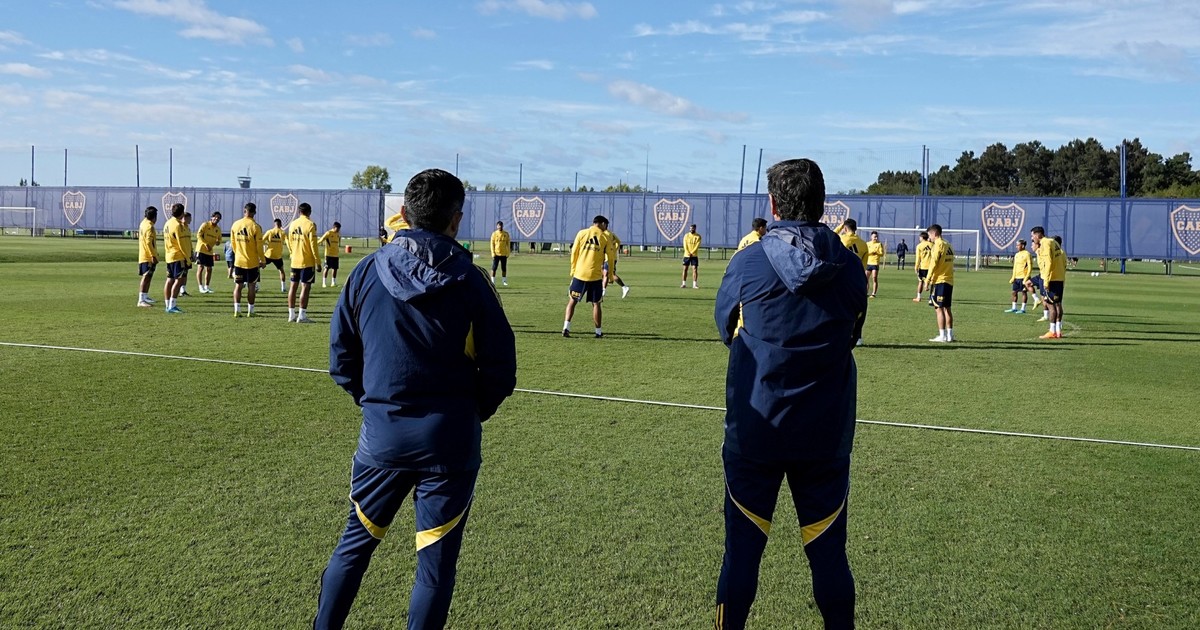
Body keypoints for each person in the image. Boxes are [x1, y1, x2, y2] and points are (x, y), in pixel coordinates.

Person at [316, 168, 517, 630]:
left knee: (354, 547)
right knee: (435, 568)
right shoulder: (472, 281)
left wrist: (376, 404)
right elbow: (501, 369)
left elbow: (341, 358)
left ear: (404, 214)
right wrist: (469, 413)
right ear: (456, 218)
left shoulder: (366, 271)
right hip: (449, 441)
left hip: (383, 438)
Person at [713, 158, 864, 630]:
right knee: (829, 558)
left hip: (756, 430)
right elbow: (853, 333)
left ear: (773, 205)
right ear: (823, 204)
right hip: (824, 434)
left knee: (741, 556)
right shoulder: (850, 267)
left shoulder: (748, 260)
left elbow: (724, 327)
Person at [563, 215, 616, 338]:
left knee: (572, 301)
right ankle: (598, 332)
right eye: (606, 225)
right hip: (595, 276)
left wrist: (573, 270)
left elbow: (574, 252)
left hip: (580, 274)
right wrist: (610, 275)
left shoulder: (581, 233)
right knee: (596, 303)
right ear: (602, 224)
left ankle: (566, 327)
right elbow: (611, 257)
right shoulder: (605, 237)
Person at [286, 202, 321, 323]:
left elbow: (290, 242)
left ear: (299, 212)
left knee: (293, 286)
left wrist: (292, 254)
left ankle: (291, 315)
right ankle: (302, 316)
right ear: (309, 212)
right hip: (307, 262)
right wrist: (317, 261)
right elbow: (313, 245)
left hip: (294, 261)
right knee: (305, 287)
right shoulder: (310, 224)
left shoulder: (293, 224)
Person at [835, 219, 868, 345]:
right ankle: (858, 336)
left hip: (842, 278)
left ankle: (842, 334)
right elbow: (864, 265)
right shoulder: (864, 244)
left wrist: (839, 227)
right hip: (858, 278)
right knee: (858, 309)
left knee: (841, 307)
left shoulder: (841, 239)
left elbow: (831, 235)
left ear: (845, 228)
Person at [230, 202, 266, 318]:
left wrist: (238, 253)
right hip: (252, 262)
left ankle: (237, 310)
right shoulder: (255, 227)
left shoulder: (235, 224)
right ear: (254, 212)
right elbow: (259, 246)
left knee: (238, 286)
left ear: (244, 211)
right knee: (251, 286)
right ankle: (250, 311)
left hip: (239, 261)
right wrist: (262, 259)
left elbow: (233, 243)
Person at [1032, 227, 1067, 338]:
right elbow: (1063, 262)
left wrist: (1046, 281)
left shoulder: (1045, 243)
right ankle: (1058, 331)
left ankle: (1052, 331)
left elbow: (1048, 262)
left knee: (1050, 305)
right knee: (1058, 304)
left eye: (1032, 236)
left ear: (1037, 235)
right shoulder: (1054, 243)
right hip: (1059, 278)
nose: (1032, 238)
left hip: (1051, 279)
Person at [926, 223, 956, 342]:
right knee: (947, 308)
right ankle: (950, 335)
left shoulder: (937, 245)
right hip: (949, 280)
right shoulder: (948, 245)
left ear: (935, 233)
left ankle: (942, 336)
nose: (929, 238)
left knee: (938, 308)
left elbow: (933, 264)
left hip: (940, 280)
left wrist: (927, 280)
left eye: (930, 235)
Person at [161, 203, 189, 314]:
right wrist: (188, 258)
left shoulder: (167, 223)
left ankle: (167, 304)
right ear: (182, 212)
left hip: (169, 256)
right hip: (178, 256)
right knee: (179, 281)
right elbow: (182, 244)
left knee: (169, 280)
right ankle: (172, 305)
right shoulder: (178, 225)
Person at [136, 206, 159, 307]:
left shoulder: (143, 223)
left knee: (149, 276)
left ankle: (145, 296)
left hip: (144, 254)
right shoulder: (150, 226)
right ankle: (141, 300)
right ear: (154, 217)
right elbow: (149, 242)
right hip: (147, 256)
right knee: (146, 276)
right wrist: (153, 255)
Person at [195, 211, 222, 293]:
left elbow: (219, 239)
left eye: (218, 218)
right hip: (201, 249)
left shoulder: (218, 229)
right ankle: (200, 287)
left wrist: (218, 242)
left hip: (209, 251)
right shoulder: (205, 225)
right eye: (215, 217)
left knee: (209, 269)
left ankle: (206, 287)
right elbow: (199, 235)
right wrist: (206, 244)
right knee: (201, 267)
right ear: (212, 217)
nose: (216, 219)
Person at [602, 223, 631, 298]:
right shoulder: (611, 233)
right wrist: (614, 250)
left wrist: (612, 250)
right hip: (610, 257)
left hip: (608, 258)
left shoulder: (605, 234)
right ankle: (603, 290)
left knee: (608, 274)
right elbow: (618, 241)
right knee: (605, 273)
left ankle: (603, 291)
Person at [1005, 240, 1033, 313]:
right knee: (1014, 292)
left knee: (1024, 292)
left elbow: (1030, 267)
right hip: (1017, 277)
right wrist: (1013, 277)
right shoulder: (1017, 255)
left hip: (1024, 277)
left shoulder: (1027, 254)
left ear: (1022, 246)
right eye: (1016, 245)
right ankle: (1014, 308)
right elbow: (1015, 267)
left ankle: (1023, 309)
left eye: (1018, 245)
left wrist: (1026, 277)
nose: (1016, 246)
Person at [263, 218, 288, 293]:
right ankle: (283, 287)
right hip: (277, 256)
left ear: (274, 224)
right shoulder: (283, 232)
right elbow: (287, 242)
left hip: (269, 254)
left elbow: (261, 241)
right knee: (281, 270)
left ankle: (253, 283)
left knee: (256, 267)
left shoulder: (270, 232)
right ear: (280, 225)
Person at [320, 222, 342, 288]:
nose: (338, 230)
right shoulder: (328, 233)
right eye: (337, 228)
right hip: (328, 254)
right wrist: (315, 245)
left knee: (335, 269)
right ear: (334, 227)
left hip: (336, 254)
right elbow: (321, 239)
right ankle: (324, 283)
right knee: (326, 268)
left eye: (339, 228)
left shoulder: (338, 234)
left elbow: (337, 242)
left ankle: (333, 283)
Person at [489, 220, 511, 286]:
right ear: (497, 226)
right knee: (494, 268)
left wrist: (508, 252)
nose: (500, 227)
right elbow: (492, 244)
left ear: (502, 226)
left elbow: (508, 244)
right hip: (496, 253)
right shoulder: (494, 234)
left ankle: (504, 281)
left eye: (501, 225)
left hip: (503, 254)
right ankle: (492, 281)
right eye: (498, 225)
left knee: (503, 268)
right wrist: (493, 253)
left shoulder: (506, 234)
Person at [913, 231, 932, 302]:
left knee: (920, 282)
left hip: (923, 267)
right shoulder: (932, 245)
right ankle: (931, 299)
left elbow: (918, 258)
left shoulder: (919, 246)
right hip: (931, 267)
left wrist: (916, 267)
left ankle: (918, 297)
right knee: (932, 283)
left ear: (922, 237)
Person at [681, 224, 702, 288]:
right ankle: (683, 284)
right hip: (686, 255)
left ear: (695, 228)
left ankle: (694, 284)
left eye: (692, 228)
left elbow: (697, 246)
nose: (691, 229)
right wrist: (688, 252)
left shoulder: (698, 236)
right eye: (690, 228)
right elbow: (685, 245)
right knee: (685, 269)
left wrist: (692, 252)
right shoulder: (686, 235)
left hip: (694, 255)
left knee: (694, 269)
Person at [178, 212, 193, 296]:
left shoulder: (188, 228)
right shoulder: (179, 227)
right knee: (180, 273)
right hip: (181, 255)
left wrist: (191, 251)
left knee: (185, 272)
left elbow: (189, 241)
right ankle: (178, 290)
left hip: (188, 254)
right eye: (189, 218)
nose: (190, 220)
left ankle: (183, 290)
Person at [865, 231, 884, 298]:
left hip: (875, 263)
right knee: (866, 279)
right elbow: (866, 252)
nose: (875, 238)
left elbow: (881, 254)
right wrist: (871, 252)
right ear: (871, 237)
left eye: (876, 237)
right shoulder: (868, 244)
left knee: (874, 278)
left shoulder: (879, 244)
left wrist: (876, 253)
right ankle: (866, 292)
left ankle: (873, 293)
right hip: (868, 263)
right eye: (874, 237)